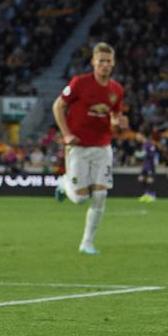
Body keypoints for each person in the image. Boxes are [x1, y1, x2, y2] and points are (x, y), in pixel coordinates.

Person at [52, 42, 124, 255]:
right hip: (78, 147)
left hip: (102, 148)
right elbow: (58, 106)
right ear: (93, 62)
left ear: (113, 64)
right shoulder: (79, 83)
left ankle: (87, 243)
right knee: (81, 198)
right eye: (101, 61)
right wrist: (66, 134)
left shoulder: (116, 90)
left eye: (108, 61)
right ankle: (63, 185)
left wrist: (118, 124)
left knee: (101, 196)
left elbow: (114, 119)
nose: (104, 65)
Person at [138, 134, 159, 203]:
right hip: (145, 165)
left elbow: (153, 154)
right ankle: (146, 194)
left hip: (150, 165)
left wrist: (144, 154)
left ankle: (152, 195)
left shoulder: (149, 144)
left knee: (150, 180)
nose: (137, 138)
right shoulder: (144, 144)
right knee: (141, 178)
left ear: (143, 136)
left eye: (138, 136)